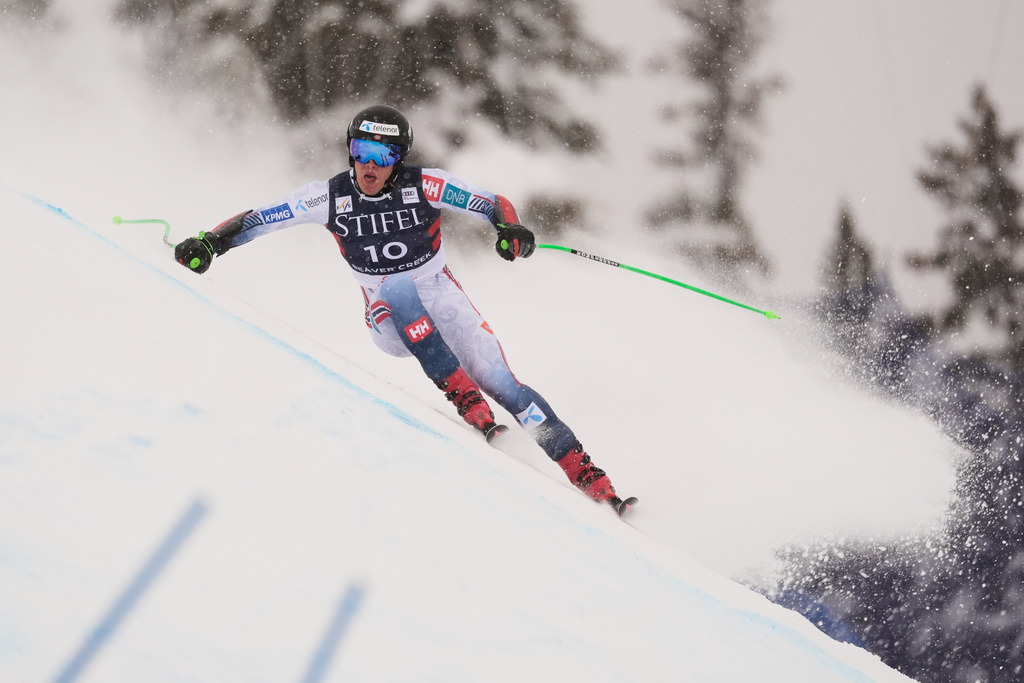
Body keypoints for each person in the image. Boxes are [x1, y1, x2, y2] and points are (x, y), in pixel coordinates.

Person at [175, 104, 630, 512]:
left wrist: (509, 230)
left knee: (507, 386)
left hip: (442, 297)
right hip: (388, 318)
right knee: (396, 286)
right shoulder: (327, 197)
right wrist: (211, 243)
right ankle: (461, 394)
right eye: (361, 150)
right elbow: (259, 219)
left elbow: (493, 203)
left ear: (400, 160)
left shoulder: (426, 185)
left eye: (384, 155)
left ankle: (589, 474)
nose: (370, 165)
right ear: (349, 150)